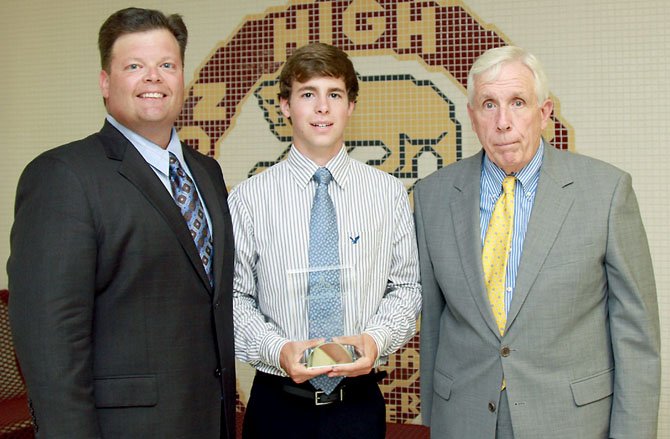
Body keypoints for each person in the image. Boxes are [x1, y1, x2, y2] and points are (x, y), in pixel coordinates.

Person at [7, 7, 235, 438]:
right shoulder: (63, 175)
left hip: (210, 421)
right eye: (135, 66)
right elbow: (50, 344)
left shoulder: (207, 172)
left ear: (182, 78)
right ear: (105, 82)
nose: (154, 77)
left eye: (167, 65)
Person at [414, 45, 660, 438]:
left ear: (544, 113)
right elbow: (435, 321)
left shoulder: (607, 192)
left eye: (518, 102)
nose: (503, 122)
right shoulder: (432, 196)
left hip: (570, 421)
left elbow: (636, 337)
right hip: (462, 419)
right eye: (489, 104)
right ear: (472, 116)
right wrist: (434, 413)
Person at [230, 42, 422, 439]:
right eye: (307, 94)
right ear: (285, 105)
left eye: (334, 94)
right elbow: (234, 299)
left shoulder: (388, 194)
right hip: (275, 408)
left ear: (350, 105)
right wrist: (277, 350)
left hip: (359, 409)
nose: (322, 108)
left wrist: (376, 339)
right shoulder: (247, 199)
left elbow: (405, 288)